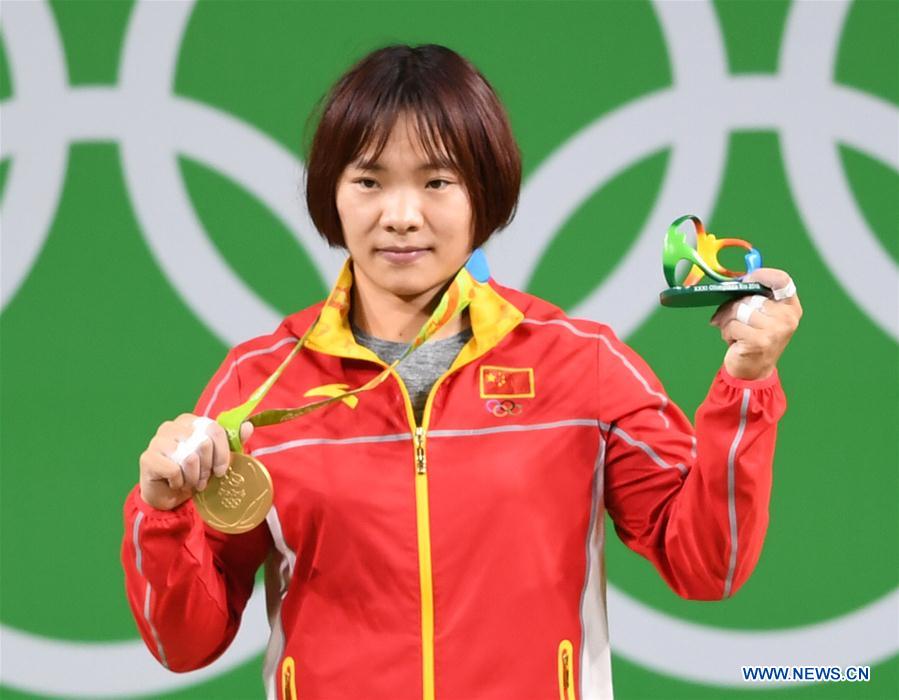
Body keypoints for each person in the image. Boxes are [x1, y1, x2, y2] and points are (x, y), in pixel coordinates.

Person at [121, 44, 802, 700]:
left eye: (436, 182)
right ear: (332, 193)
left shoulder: (580, 363)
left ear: (484, 193)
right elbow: (183, 643)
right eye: (368, 180)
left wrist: (745, 385)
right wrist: (162, 512)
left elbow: (707, 564)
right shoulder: (259, 381)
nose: (401, 216)